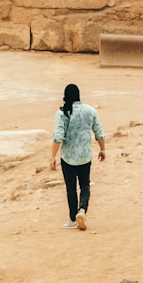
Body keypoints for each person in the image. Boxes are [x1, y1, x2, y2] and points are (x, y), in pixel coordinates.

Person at [49, 83, 106, 230]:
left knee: (71, 188)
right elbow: (99, 132)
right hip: (85, 155)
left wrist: (52, 157)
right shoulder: (90, 111)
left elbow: (58, 137)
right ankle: (82, 210)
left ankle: (73, 218)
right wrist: (102, 149)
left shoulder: (62, 113)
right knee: (85, 184)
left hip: (68, 157)